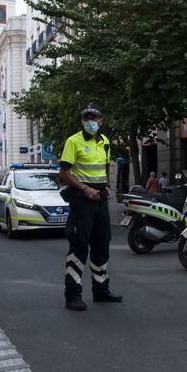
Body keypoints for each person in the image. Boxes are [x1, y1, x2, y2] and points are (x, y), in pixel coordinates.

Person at [58, 103, 123, 311]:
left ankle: (101, 290)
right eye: (86, 118)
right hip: (82, 200)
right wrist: (85, 189)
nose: (90, 122)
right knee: (79, 246)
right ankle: (72, 295)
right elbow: (64, 173)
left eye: (93, 118)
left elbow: (103, 169)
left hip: (100, 200)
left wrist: (106, 187)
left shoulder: (104, 142)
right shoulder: (73, 141)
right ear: (81, 121)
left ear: (101, 121)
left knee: (102, 245)